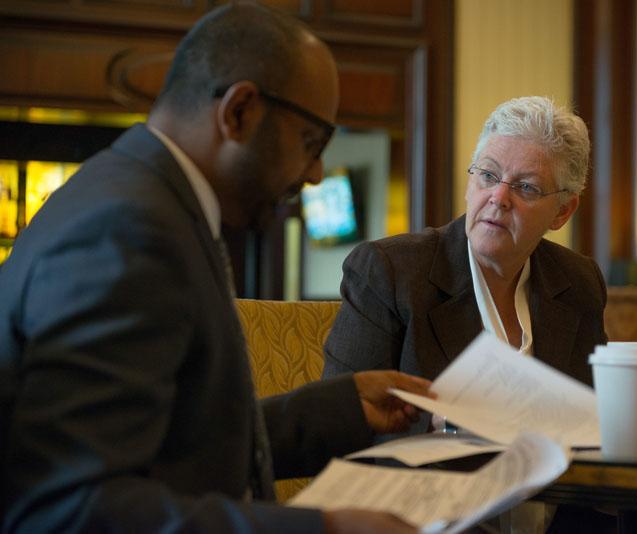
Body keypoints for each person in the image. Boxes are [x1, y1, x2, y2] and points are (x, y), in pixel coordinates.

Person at [0, 3, 430, 533]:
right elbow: (75, 507)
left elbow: (174, 444)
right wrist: (325, 529)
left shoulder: (140, 197)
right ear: (240, 111)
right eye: (311, 143)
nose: (316, 174)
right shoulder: (129, 229)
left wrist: (338, 408)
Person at [322, 96, 637, 532]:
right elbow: (338, 431)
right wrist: (443, 426)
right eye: (488, 175)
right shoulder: (391, 272)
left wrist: (636, 413)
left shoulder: (578, 281)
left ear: (563, 211)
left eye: (526, 187)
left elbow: (586, 422)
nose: (499, 197)